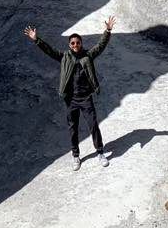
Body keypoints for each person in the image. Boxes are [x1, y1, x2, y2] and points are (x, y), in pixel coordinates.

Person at [24, 17, 116, 171]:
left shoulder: (88, 55)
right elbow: (50, 51)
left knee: (93, 125)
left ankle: (100, 152)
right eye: (72, 43)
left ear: (81, 44)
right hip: (71, 100)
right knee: (73, 128)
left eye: (78, 43)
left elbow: (100, 46)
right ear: (69, 45)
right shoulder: (65, 56)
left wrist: (107, 31)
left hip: (86, 98)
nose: (75, 45)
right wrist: (36, 40)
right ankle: (76, 156)